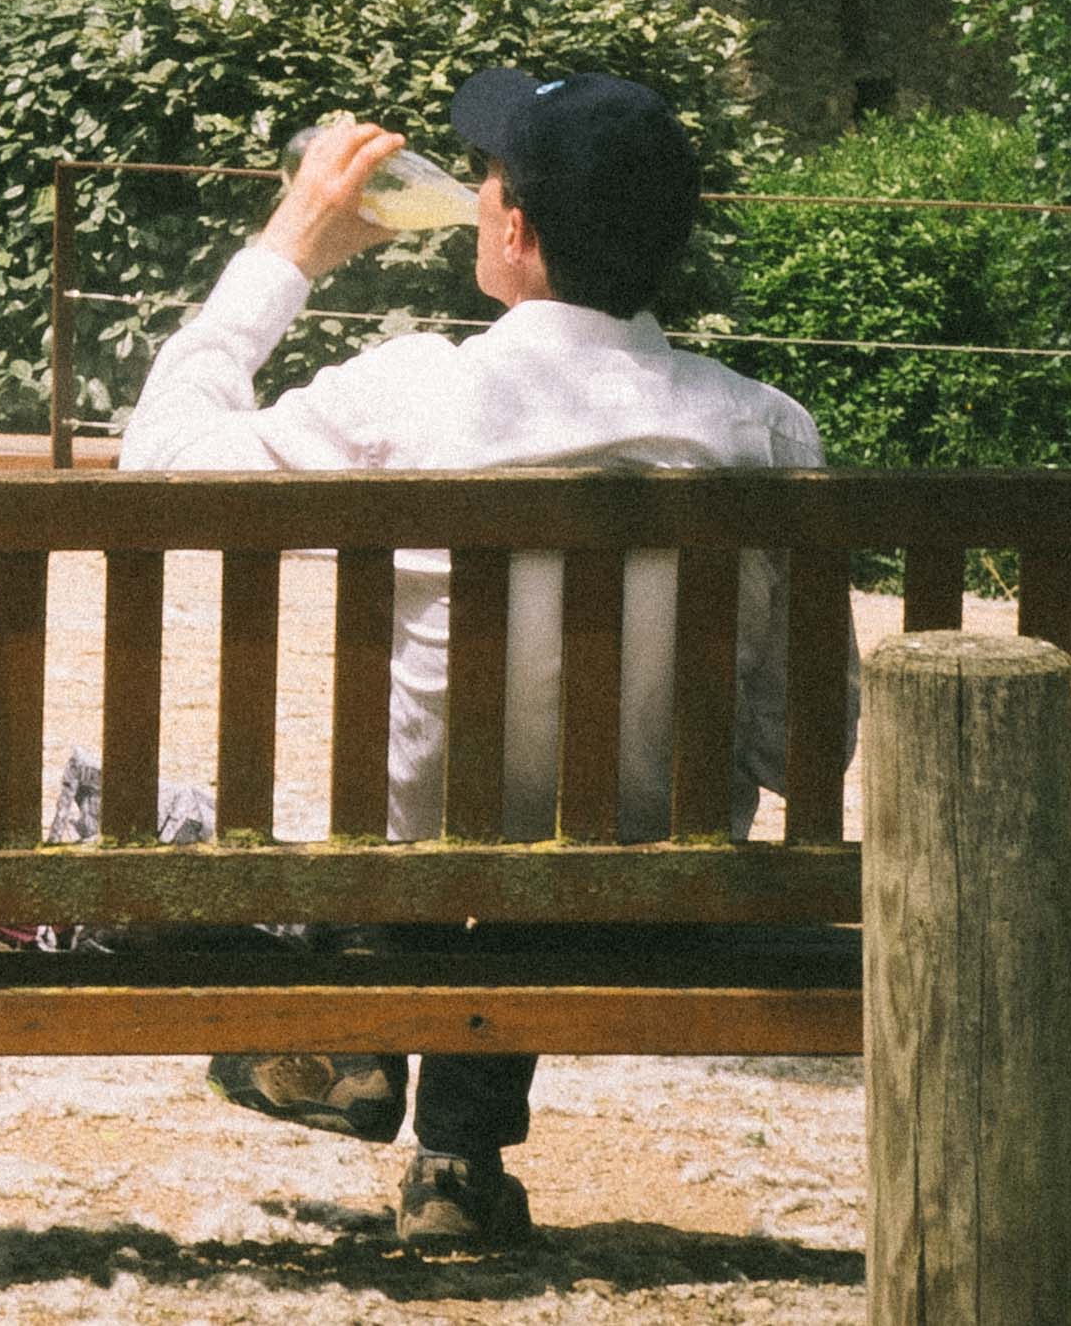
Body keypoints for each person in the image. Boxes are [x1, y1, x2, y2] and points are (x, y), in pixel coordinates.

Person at [116, 67, 842, 1258]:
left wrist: (287, 250)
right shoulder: (765, 427)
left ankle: (347, 1021)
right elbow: (799, 738)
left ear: (509, 226)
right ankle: (455, 1155)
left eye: (489, 174)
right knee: (545, 833)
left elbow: (160, 461)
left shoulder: (417, 392)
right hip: (667, 898)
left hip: (419, 896)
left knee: (422, 837)